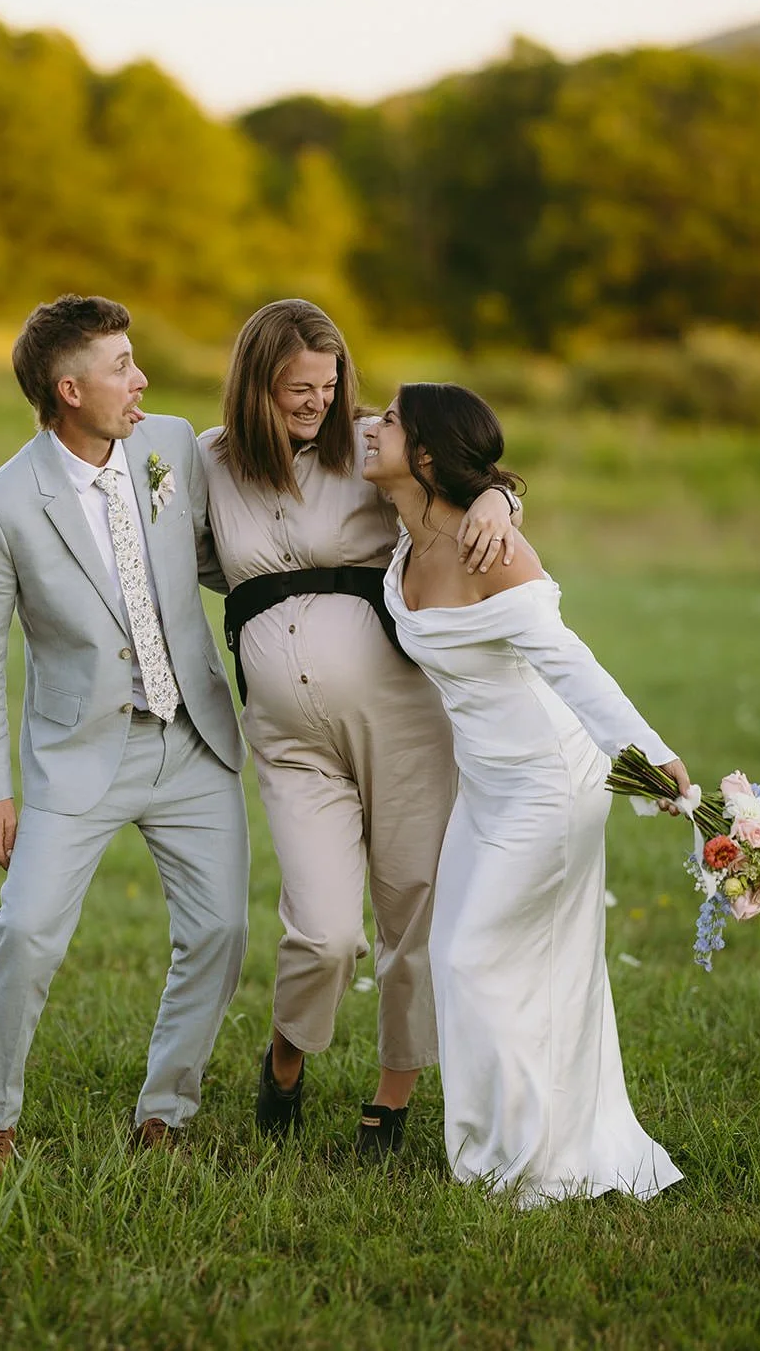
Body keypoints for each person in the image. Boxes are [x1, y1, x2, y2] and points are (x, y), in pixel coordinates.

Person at [197, 300, 519, 1160]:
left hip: (404, 720)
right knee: (323, 929)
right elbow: (171, 559)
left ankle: (393, 1092)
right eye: (296, 387)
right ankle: (285, 1059)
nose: (317, 402)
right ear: (253, 385)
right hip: (285, 734)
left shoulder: (373, 443)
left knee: (412, 904)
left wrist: (496, 499)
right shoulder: (208, 464)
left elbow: (463, 467)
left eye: (329, 384)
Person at [364, 382, 687, 1204]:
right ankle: (500, 1146)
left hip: (547, 778)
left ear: (428, 453)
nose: (370, 427)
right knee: (461, 957)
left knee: (474, 958)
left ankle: (523, 1164)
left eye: (390, 421)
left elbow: (568, 661)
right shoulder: (406, 540)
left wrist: (649, 754)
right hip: (487, 784)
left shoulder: (491, 551)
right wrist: (502, 495)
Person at [0, 294, 248, 1172]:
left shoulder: (168, 447)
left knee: (221, 934)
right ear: (69, 389)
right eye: (122, 366)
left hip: (194, 741)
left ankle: (165, 1111)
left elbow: (218, 551)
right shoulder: (2, 507)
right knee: (27, 933)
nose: (141, 379)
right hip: (78, 758)